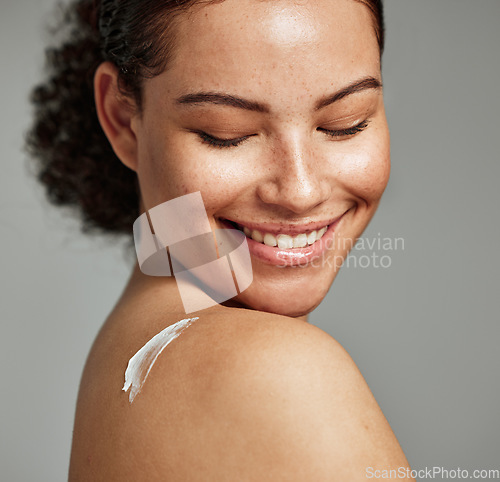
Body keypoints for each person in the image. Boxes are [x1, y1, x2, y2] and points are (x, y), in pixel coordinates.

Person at [28, 0, 414, 479]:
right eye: (226, 135)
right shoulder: (276, 372)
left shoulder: (132, 352)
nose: (299, 192)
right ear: (123, 119)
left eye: (345, 122)